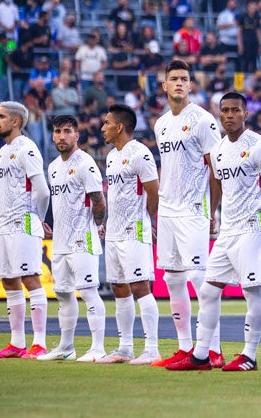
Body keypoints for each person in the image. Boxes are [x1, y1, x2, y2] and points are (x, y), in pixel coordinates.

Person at [167, 92, 261, 372]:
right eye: (224, 110)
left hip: (254, 227)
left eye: (235, 110)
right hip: (228, 230)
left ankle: (249, 355)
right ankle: (202, 355)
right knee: (209, 290)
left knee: (252, 292)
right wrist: (213, 212)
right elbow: (217, 184)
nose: (229, 115)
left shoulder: (259, 147)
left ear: (245, 114)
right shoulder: (217, 151)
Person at [151, 60, 223, 368]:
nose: (179, 83)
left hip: (194, 209)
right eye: (174, 79)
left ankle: (213, 349)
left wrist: (213, 210)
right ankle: (184, 347)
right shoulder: (161, 124)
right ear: (164, 86)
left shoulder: (203, 120)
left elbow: (217, 168)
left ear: (191, 85)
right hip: (168, 211)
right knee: (172, 278)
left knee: (200, 279)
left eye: (184, 79)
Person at [37, 115, 107, 362]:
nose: (62, 136)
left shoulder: (85, 163)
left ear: (77, 135)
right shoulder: (54, 166)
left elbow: (98, 200)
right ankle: (66, 347)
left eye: (68, 131)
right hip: (61, 242)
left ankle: (98, 348)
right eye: (58, 131)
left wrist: (97, 226)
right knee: (63, 293)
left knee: (88, 292)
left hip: (82, 240)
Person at [96, 104, 161, 365]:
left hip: (134, 230)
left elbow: (154, 191)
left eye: (107, 123)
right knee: (119, 288)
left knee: (139, 287)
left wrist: (146, 219)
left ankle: (152, 348)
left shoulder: (140, 153)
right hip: (113, 232)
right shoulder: (112, 156)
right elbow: (116, 195)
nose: (102, 128)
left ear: (119, 127)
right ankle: (125, 348)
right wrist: (107, 221)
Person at [0, 101, 50, 359]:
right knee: (9, 280)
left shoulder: (28, 149)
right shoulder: (3, 152)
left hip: (23, 221)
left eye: (1, 116)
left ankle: (39, 343)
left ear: (15, 122)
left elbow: (43, 190)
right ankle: (16, 343)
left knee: (30, 278)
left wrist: (37, 217)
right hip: (4, 224)